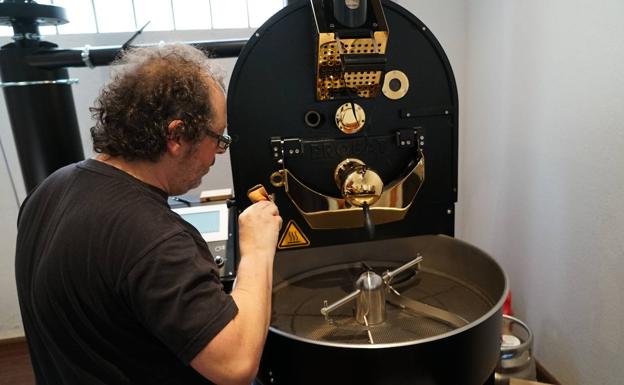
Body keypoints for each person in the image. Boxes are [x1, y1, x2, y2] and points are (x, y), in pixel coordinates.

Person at [14, 43, 282, 385]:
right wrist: (257, 249)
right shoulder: (155, 238)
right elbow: (236, 365)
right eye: (217, 138)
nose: (217, 154)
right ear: (176, 135)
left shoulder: (48, 189)